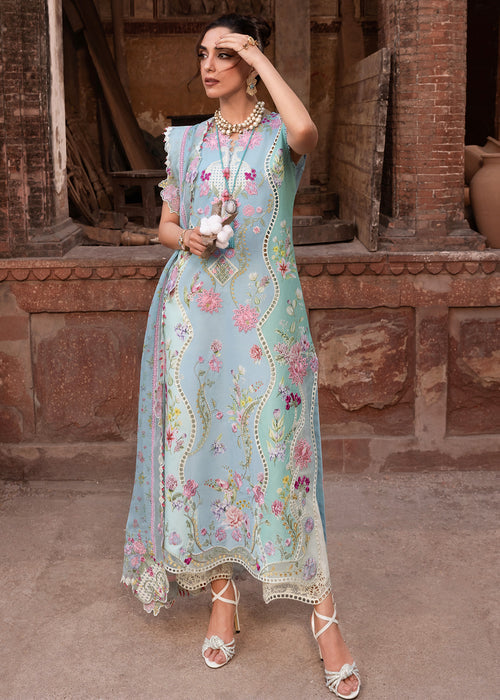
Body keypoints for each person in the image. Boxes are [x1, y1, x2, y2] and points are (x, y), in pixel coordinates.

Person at [121, 13, 360, 699]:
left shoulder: (279, 136)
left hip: (268, 322)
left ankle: (325, 617)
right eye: (204, 53)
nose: (208, 65)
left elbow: (308, 130)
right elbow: (165, 224)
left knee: (282, 456)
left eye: (224, 54)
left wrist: (258, 57)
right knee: (205, 451)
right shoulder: (185, 142)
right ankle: (222, 600)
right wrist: (187, 240)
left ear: (250, 63)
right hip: (194, 320)